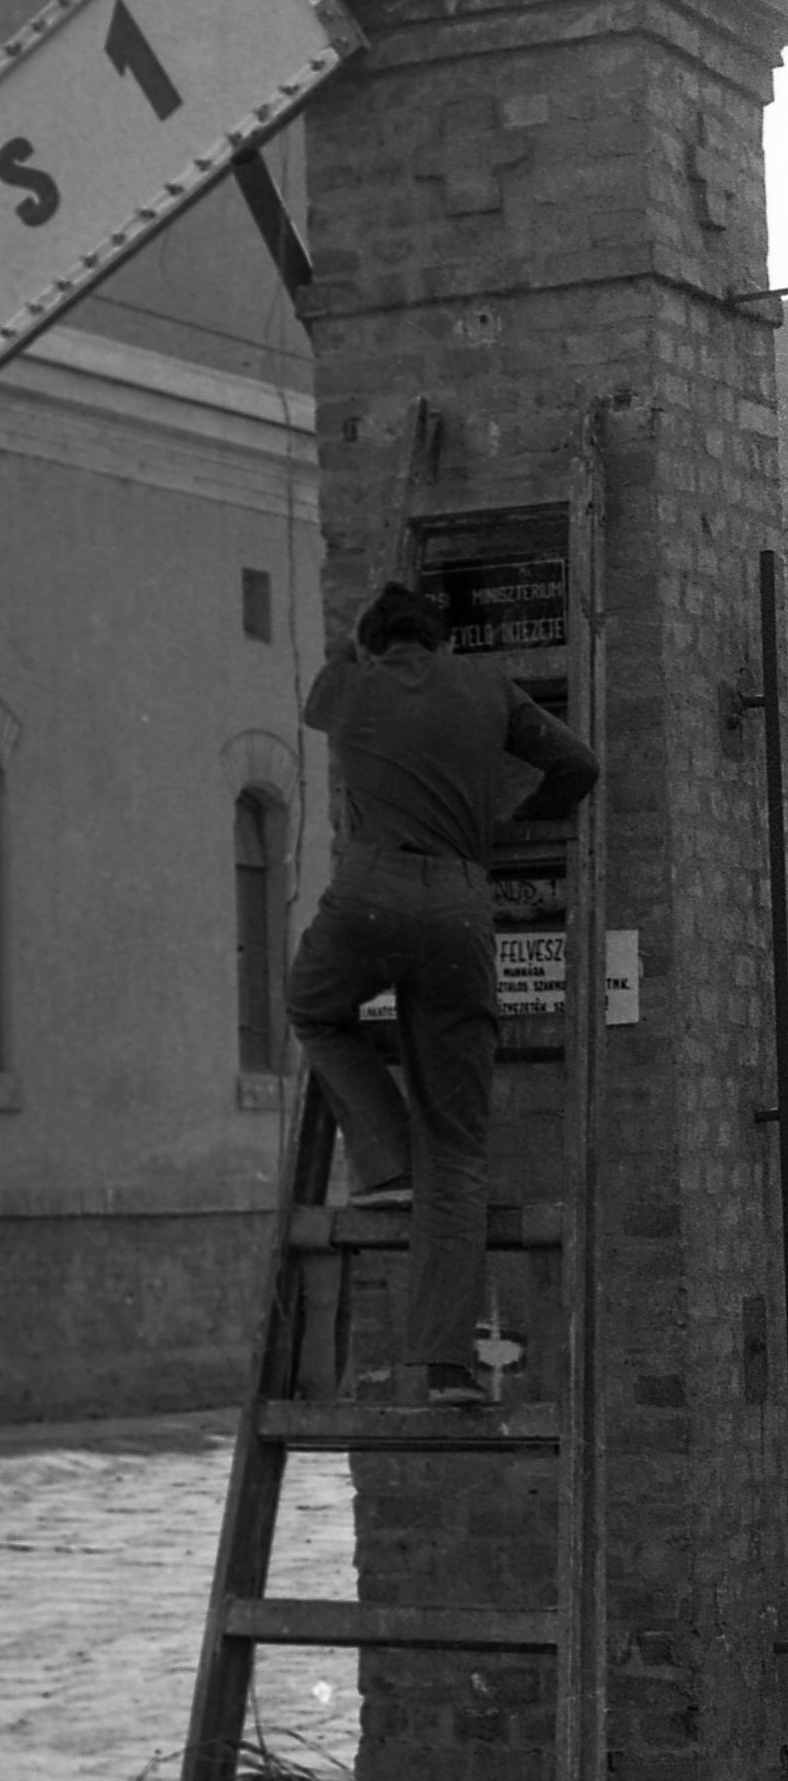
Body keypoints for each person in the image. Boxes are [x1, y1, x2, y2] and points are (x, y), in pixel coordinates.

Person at [287, 580, 600, 1407]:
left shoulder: (344, 687)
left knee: (314, 1009)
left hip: (368, 893)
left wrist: (357, 647)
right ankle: (446, 1368)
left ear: (372, 641)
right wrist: (521, 821)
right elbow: (578, 763)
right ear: (443, 641)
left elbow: (323, 694)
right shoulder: (486, 685)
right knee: (458, 1150)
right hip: (463, 905)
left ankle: (385, 1160)